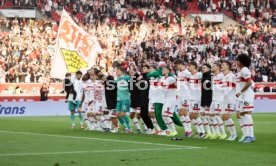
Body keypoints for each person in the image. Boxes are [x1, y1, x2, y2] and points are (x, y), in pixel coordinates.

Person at [236, 54, 256, 143]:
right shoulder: (240, 70)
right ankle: (247, 135)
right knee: (243, 114)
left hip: (247, 95)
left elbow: (249, 82)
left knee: (247, 113)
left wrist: (240, 91)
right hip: (242, 96)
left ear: (242, 61)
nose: (236, 61)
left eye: (238, 60)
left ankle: (251, 135)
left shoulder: (244, 69)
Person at [174, 59, 192, 137]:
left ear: (181, 64)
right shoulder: (179, 72)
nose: (176, 67)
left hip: (186, 95)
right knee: (180, 113)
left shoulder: (187, 73)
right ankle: (186, 130)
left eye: (177, 65)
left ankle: (189, 130)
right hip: (180, 94)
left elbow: (191, 83)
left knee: (184, 112)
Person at [210, 62, 227, 140]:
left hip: (219, 99)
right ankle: (217, 133)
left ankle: (223, 133)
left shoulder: (221, 76)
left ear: (217, 68)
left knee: (217, 116)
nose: (212, 67)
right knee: (211, 116)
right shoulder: (214, 76)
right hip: (214, 99)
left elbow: (225, 88)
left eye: (213, 66)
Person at [188, 61, 205, 138]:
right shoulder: (190, 76)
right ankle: (199, 131)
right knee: (191, 116)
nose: (188, 67)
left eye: (190, 66)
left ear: (194, 66)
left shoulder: (199, 75)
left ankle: (203, 132)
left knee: (195, 115)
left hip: (197, 98)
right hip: (190, 98)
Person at [221, 61, 238, 141]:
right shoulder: (224, 76)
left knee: (227, 116)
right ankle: (231, 134)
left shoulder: (231, 76)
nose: (222, 65)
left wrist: (237, 96)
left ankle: (234, 134)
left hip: (230, 99)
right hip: (224, 99)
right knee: (224, 117)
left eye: (223, 64)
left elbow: (238, 86)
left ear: (228, 67)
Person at [160, 66, 178, 137]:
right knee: (164, 116)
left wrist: (153, 83)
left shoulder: (171, 78)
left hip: (171, 99)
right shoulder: (163, 78)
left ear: (168, 70)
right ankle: (170, 130)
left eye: (164, 69)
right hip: (166, 99)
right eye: (162, 70)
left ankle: (174, 131)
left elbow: (163, 84)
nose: (162, 71)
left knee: (165, 115)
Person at [115, 67, 132, 133]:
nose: (116, 72)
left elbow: (132, 84)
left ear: (122, 71)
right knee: (118, 114)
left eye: (118, 70)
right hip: (119, 99)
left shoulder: (126, 78)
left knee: (123, 114)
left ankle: (130, 128)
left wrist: (130, 92)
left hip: (125, 99)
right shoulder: (118, 79)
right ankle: (126, 128)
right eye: (116, 71)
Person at [200, 64, 213, 139]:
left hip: (209, 98)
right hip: (203, 97)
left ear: (209, 68)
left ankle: (212, 132)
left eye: (204, 68)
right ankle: (208, 132)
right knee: (202, 115)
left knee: (209, 117)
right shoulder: (203, 76)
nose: (203, 69)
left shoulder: (211, 76)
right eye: (202, 68)